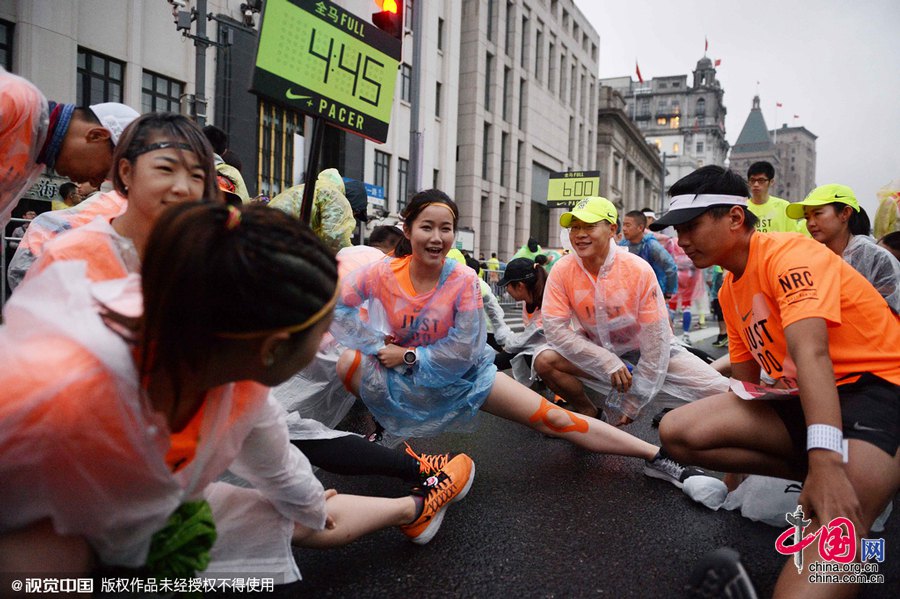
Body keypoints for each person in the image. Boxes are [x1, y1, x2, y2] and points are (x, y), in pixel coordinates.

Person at [0, 202, 475, 582]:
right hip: (49, 526)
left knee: (294, 514)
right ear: (272, 349)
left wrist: (308, 503)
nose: (335, 338)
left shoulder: (241, 383)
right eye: (325, 329)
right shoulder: (66, 385)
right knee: (44, 561)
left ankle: (419, 504)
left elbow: (286, 475)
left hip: (137, 516)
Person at [333, 189, 702, 488]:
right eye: (426, 227)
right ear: (408, 228)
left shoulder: (461, 280)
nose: (436, 237)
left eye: (446, 228)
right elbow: (340, 310)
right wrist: (379, 345)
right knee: (348, 363)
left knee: (556, 420)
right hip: (406, 371)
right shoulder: (381, 274)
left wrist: (409, 356)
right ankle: (390, 433)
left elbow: (462, 352)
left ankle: (658, 458)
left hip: (465, 378)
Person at [653, 165, 900, 598]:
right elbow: (746, 387)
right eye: (676, 230)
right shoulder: (730, 288)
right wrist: (732, 482)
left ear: (734, 218)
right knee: (678, 431)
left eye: (690, 226)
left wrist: (825, 464)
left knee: (836, 525)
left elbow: (812, 353)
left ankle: (852, 479)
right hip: (810, 397)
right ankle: (842, 472)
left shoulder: (790, 253)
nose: (681, 240)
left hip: (877, 390)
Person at [533, 196, 728, 425]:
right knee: (544, 360)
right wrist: (606, 360)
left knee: (723, 393)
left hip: (646, 352)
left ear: (611, 229)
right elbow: (555, 330)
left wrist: (635, 400)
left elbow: (656, 342)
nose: (580, 234)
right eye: (575, 227)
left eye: (589, 226)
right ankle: (590, 412)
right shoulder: (562, 270)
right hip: (597, 352)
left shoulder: (637, 269)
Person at [24, 112, 219, 284]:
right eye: (166, 169)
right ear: (126, 171)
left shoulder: (212, 262)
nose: (182, 188)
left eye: (196, 175)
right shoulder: (67, 258)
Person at [0, 68, 138, 227]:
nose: (94, 182)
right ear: (96, 135)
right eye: (103, 173)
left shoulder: (34, 154)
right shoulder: (14, 99)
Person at [786, 183, 900, 313]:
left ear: (845, 213)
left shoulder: (873, 257)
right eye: (807, 217)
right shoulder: (813, 258)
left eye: (817, 214)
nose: (810, 223)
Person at [270, 168, 356, 252]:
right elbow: (335, 239)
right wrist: (355, 254)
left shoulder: (303, 188)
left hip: (266, 231)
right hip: (284, 239)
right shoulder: (334, 196)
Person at [494, 257, 550, 386]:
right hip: (547, 351)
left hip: (567, 356)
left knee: (527, 354)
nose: (506, 289)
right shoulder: (528, 302)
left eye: (507, 285)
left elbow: (523, 342)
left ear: (519, 286)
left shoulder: (549, 304)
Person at [619, 209, 678, 301]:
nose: (624, 229)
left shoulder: (651, 246)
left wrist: (668, 293)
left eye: (628, 225)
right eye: (624, 225)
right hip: (628, 295)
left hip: (651, 295)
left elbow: (671, 267)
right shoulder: (622, 245)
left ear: (640, 228)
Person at [745, 161, 806, 234]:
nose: (756, 184)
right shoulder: (743, 208)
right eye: (752, 180)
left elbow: (793, 236)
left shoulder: (784, 207)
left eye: (761, 180)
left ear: (771, 182)